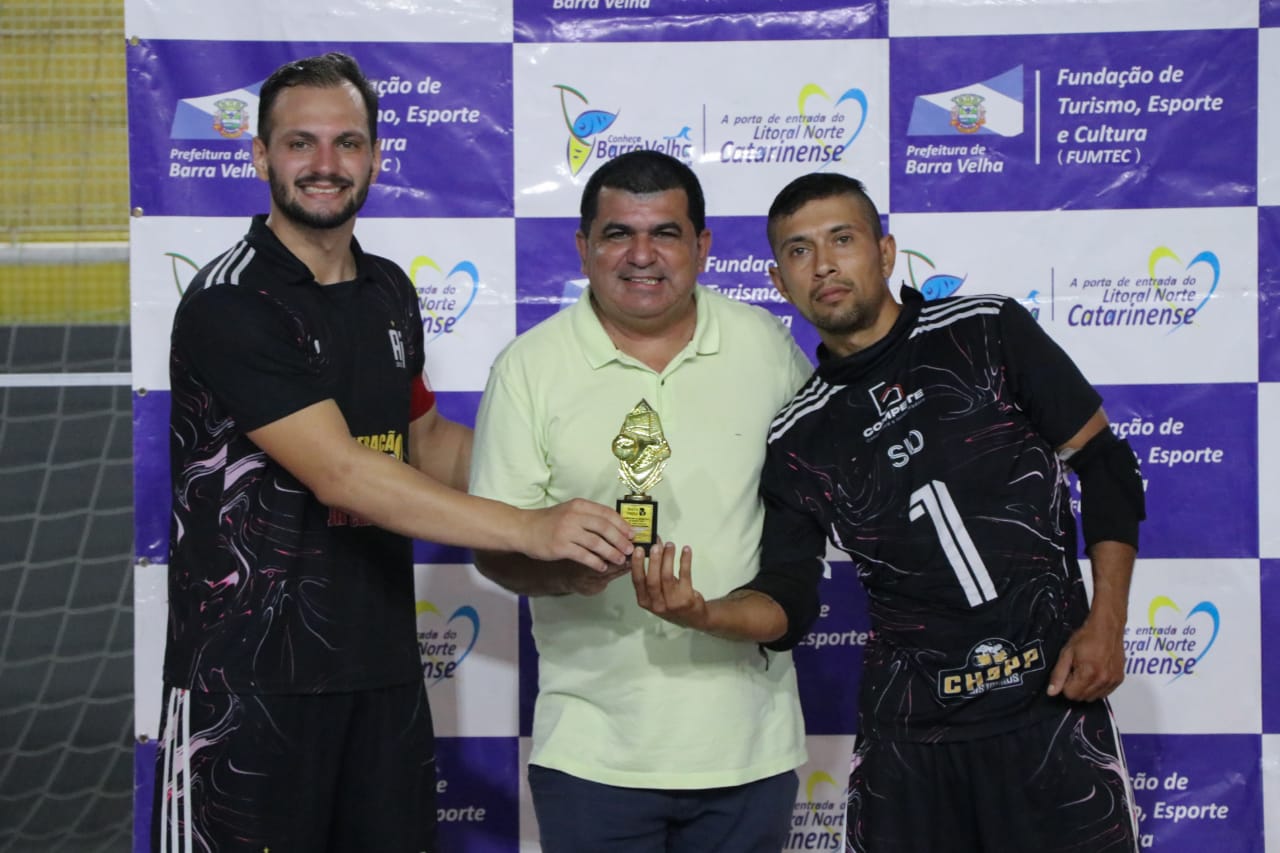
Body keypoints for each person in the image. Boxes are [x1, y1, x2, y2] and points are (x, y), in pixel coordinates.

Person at [153, 52, 633, 853]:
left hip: (380, 672)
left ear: (376, 157)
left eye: (347, 142)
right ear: (260, 156)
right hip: (246, 686)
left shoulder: (387, 291)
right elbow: (342, 471)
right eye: (300, 143)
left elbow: (428, 442)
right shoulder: (230, 301)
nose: (325, 163)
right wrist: (530, 528)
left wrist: (576, 486)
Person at [633, 172, 1145, 852]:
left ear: (885, 251)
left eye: (842, 239)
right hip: (909, 743)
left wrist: (1107, 623)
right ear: (778, 281)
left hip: (1050, 709)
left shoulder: (985, 332)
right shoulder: (799, 435)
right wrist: (704, 614)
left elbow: (1106, 467)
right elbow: (788, 599)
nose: (823, 264)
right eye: (798, 250)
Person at [468, 149, 813, 853]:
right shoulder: (528, 369)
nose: (642, 255)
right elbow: (494, 550)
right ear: (583, 248)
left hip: (748, 744)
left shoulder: (766, 348)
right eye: (618, 233)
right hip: (592, 752)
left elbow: (811, 516)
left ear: (703, 247)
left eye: (665, 233)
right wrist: (569, 572)